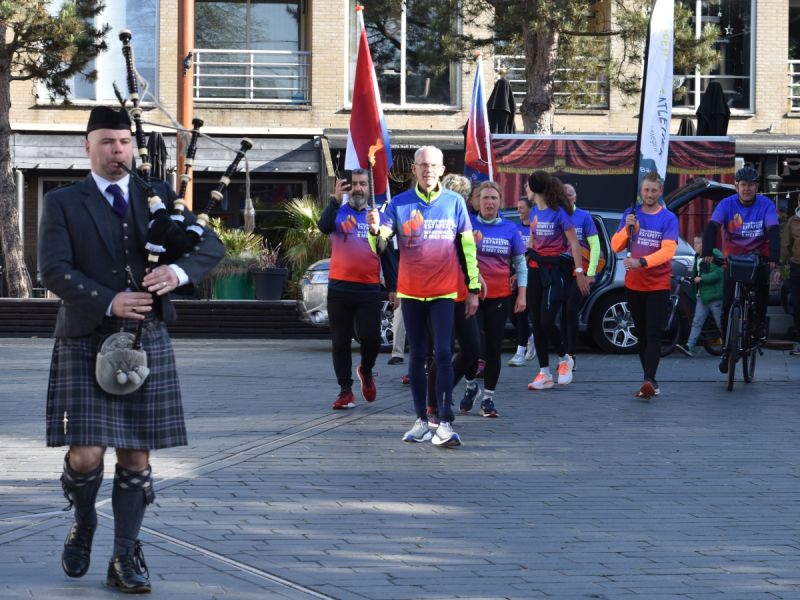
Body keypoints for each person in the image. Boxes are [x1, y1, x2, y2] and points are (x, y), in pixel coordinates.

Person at [37, 106, 224, 592]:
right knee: (86, 454)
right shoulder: (63, 202)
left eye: (123, 142)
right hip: (86, 335)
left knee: (137, 458)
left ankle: (125, 556)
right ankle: (83, 522)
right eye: (106, 142)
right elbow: (53, 270)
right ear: (87, 146)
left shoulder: (157, 194)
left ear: (132, 147)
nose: (117, 150)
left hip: (147, 339)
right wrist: (110, 300)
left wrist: (177, 273)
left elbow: (209, 247)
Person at [368, 146, 480, 448]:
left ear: (442, 169)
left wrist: (473, 288)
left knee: (444, 353)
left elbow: (468, 248)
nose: (428, 170)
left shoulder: (455, 202)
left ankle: (444, 421)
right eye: (422, 165)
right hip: (412, 291)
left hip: (445, 291)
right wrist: (374, 230)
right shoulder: (399, 204)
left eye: (433, 165)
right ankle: (420, 420)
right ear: (414, 170)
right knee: (418, 355)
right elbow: (380, 244)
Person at [317, 169, 397, 409]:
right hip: (339, 288)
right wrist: (333, 199)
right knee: (340, 341)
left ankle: (366, 369)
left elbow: (387, 252)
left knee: (371, 338)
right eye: (353, 184)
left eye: (363, 184)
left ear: (369, 188)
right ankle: (345, 390)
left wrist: (393, 287)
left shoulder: (379, 217)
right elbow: (323, 226)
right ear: (346, 187)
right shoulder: (337, 212)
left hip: (369, 289)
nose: (358, 188)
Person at [702, 166, 780, 372]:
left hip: (758, 257)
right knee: (728, 304)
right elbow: (712, 226)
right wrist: (708, 250)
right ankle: (727, 350)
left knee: (762, 288)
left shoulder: (766, 204)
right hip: (734, 259)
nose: (747, 189)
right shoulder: (726, 204)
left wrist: (774, 257)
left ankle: (759, 324)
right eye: (743, 185)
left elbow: (773, 230)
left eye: (751, 185)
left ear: (757, 186)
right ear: (737, 186)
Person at [611, 172, 678, 399]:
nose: (649, 194)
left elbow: (668, 251)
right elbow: (615, 246)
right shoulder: (631, 214)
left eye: (653, 190)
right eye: (646, 190)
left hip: (658, 284)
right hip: (634, 284)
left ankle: (648, 379)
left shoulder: (668, 218)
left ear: (660, 192)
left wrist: (643, 262)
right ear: (641, 191)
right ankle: (650, 379)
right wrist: (627, 229)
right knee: (641, 333)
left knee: (653, 333)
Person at [525, 171, 590, 391]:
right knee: (536, 322)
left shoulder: (559, 213)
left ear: (535, 189)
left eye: (527, 186)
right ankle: (544, 372)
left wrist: (579, 271)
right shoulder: (534, 211)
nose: (526, 190)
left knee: (546, 320)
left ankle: (564, 359)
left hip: (555, 271)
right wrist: (528, 253)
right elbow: (533, 239)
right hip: (535, 270)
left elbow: (574, 244)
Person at [469, 181, 526, 417]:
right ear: (477, 201)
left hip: (500, 296)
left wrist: (521, 294)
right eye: (485, 198)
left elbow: (521, 264)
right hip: (471, 297)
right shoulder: (468, 225)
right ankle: (470, 386)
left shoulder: (510, 229)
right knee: (471, 348)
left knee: (493, 349)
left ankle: (488, 399)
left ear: (500, 202)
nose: (490, 202)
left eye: (494, 198)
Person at [562, 183, 602, 370]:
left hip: (581, 269)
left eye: (570, 194)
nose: (567, 197)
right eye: (564, 195)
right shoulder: (555, 215)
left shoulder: (584, 217)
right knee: (562, 312)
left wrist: (590, 273)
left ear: (575, 197)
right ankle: (564, 355)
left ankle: (571, 355)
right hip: (560, 269)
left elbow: (595, 246)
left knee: (571, 309)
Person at [676, 236, 723, 357]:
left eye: (697, 243)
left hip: (714, 296)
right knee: (697, 322)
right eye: (694, 243)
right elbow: (696, 273)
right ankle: (689, 347)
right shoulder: (697, 257)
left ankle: (733, 346)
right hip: (702, 296)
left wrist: (702, 278)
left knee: (721, 323)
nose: (695, 245)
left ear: (704, 244)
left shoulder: (714, 253)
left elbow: (719, 273)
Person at [508, 193, 536, 366]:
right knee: (513, 315)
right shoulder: (516, 228)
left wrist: (520, 271)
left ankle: (520, 352)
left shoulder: (534, 228)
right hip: (513, 276)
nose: (518, 210)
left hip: (529, 276)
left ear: (530, 210)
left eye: (521, 207)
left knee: (522, 313)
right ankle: (530, 337)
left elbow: (531, 252)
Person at [782, 201, 800, 355]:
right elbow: (786, 244)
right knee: (797, 304)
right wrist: (781, 266)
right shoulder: (792, 221)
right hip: (797, 267)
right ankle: (799, 342)